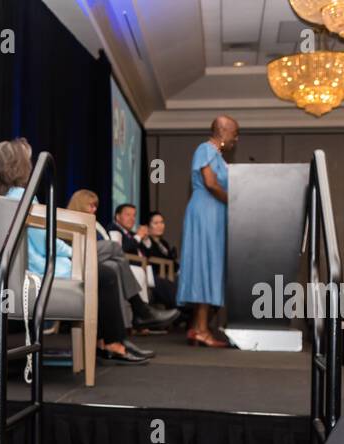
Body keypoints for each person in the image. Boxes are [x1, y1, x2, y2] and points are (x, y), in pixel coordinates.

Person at [0, 140, 148, 364]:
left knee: (109, 267)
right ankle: (118, 337)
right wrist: (73, 252)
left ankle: (112, 341)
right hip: (35, 273)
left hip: (8, 275)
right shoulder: (22, 196)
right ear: (18, 167)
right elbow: (45, 243)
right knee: (106, 271)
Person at [68, 189, 179, 336]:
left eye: (95, 206)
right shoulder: (71, 219)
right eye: (90, 206)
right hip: (81, 258)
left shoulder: (96, 223)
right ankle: (141, 310)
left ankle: (120, 335)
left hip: (99, 261)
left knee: (114, 267)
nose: (94, 209)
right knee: (114, 247)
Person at [177, 114, 238, 348]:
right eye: (234, 133)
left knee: (210, 266)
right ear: (222, 132)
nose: (236, 139)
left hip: (214, 213)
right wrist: (235, 200)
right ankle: (201, 330)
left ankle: (197, 326)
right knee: (205, 266)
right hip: (205, 212)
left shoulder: (219, 156)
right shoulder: (205, 148)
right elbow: (211, 184)